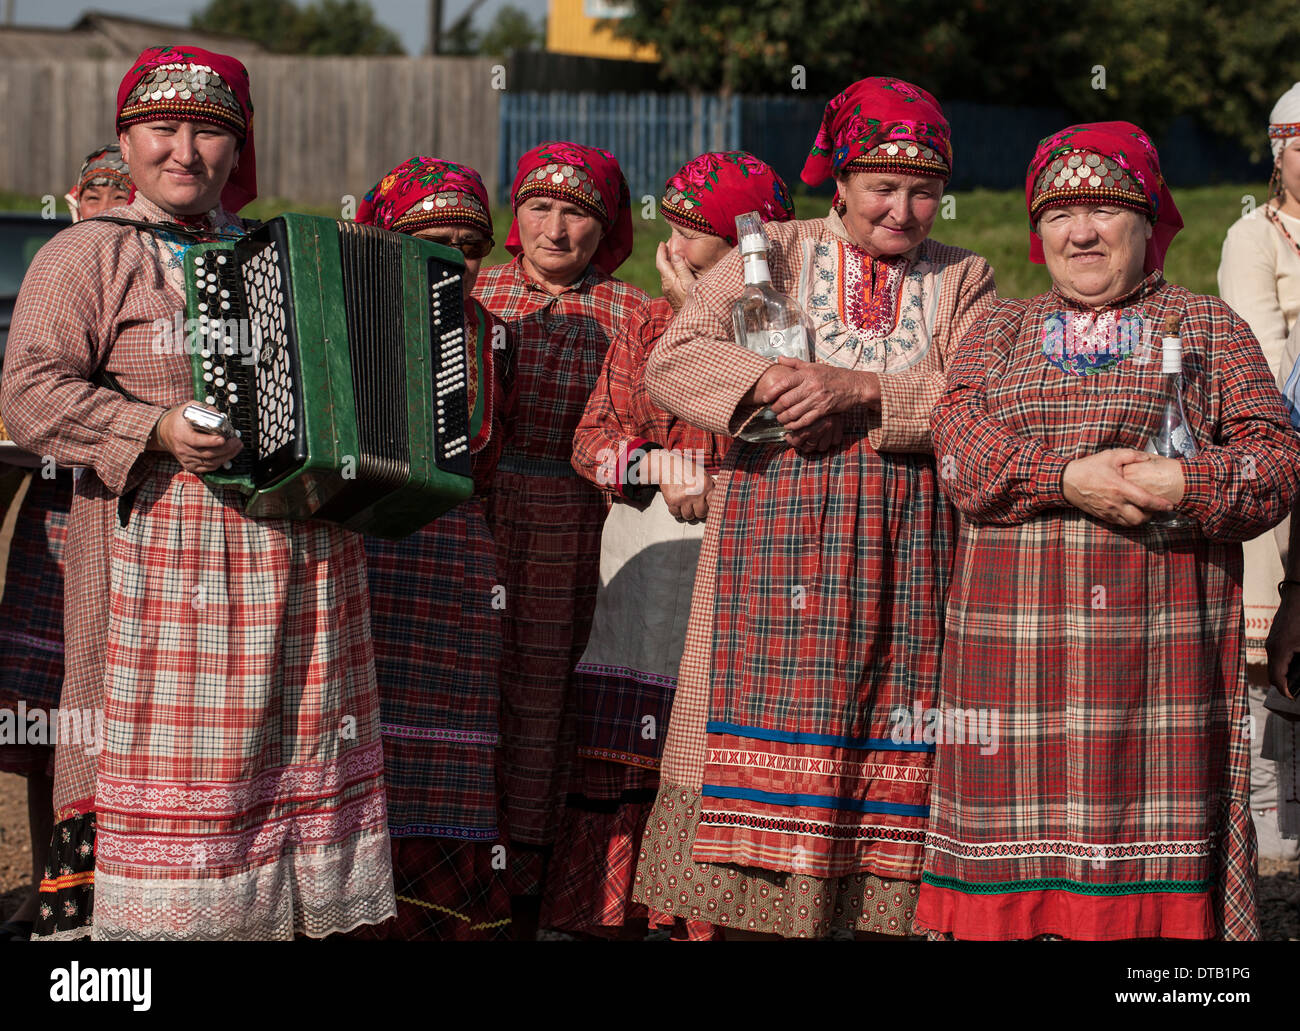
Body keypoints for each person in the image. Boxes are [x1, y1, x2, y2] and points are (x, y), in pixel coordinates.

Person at [0, 45, 394, 940]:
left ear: (237, 149)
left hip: (295, 564)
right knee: (148, 759)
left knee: (277, 755)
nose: (185, 151)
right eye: (162, 128)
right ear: (126, 139)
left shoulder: (276, 255)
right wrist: (153, 427)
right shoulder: (90, 254)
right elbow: (28, 391)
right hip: (154, 558)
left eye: (209, 133)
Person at [631, 77, 997, 939]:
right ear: (839, 180)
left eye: (923, 191)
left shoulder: (963, 279)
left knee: (891, 748)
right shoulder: (773, 250)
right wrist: (763, 377)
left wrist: (863, 388)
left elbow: (982, 403)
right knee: (757, 755)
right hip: (770, 555)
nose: (903, 210)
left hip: (907, 558)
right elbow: (675, 359)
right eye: (882, 187)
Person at [920, 121, 1300, 941]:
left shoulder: (1208, 327)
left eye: (1105, 208)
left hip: (1157, 667)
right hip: (1010, 660)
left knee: (1146, 911)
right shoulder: (999, 329)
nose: (1081, 230)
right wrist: (1065, 477)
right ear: (1038, 231)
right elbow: (957, 447)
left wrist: (1187, 480)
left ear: (1147, 221)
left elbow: (1276, 463)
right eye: (1060, 213)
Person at [548, 152, 793, 939]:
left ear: (750, 251)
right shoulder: (645, 327)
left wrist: (712, 324)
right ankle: (619, 912)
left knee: (719, 758)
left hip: (748, 575)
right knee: (630, 759)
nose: (678, 252)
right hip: (652, 582)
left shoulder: (793, 334)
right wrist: (656, 461)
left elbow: (788, 442)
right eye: (674, 232)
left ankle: (706, 915)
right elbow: (593, 444)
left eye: (701, 238)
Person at [472, 141, 647, 934]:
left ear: (604, 226)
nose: (555, 226)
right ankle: (455, 877)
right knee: (469, 690)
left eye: (577, 211)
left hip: (579, 524)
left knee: (547, 701)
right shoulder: (473, 288)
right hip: (470, 514)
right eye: (539, 206)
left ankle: (534, 892)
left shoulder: (636, 313)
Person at [349, 156, 516, 940]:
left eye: (468, 244)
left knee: (443, 762)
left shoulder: (491, 334)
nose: (450, 259)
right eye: (429, 239)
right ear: (386, 240)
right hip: (355, 563)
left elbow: (483, 461)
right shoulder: (338, 316)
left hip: (452, 568)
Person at [0, 144, 135, 942]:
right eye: (98, 191)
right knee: (43, 719)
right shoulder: (55, 287)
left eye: (123, 191)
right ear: (74, 200)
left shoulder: (160, 283)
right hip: (53, 528)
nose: (111, 203)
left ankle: (111, 891)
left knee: (121, 717)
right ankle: (50, 887)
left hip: (133, 523)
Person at [1219, 83, 1300, 861]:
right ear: (1280, 152)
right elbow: (1265, 356)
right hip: (1285, 446)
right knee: (1272, 655)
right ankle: (1273, 831)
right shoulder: (1256, 236)